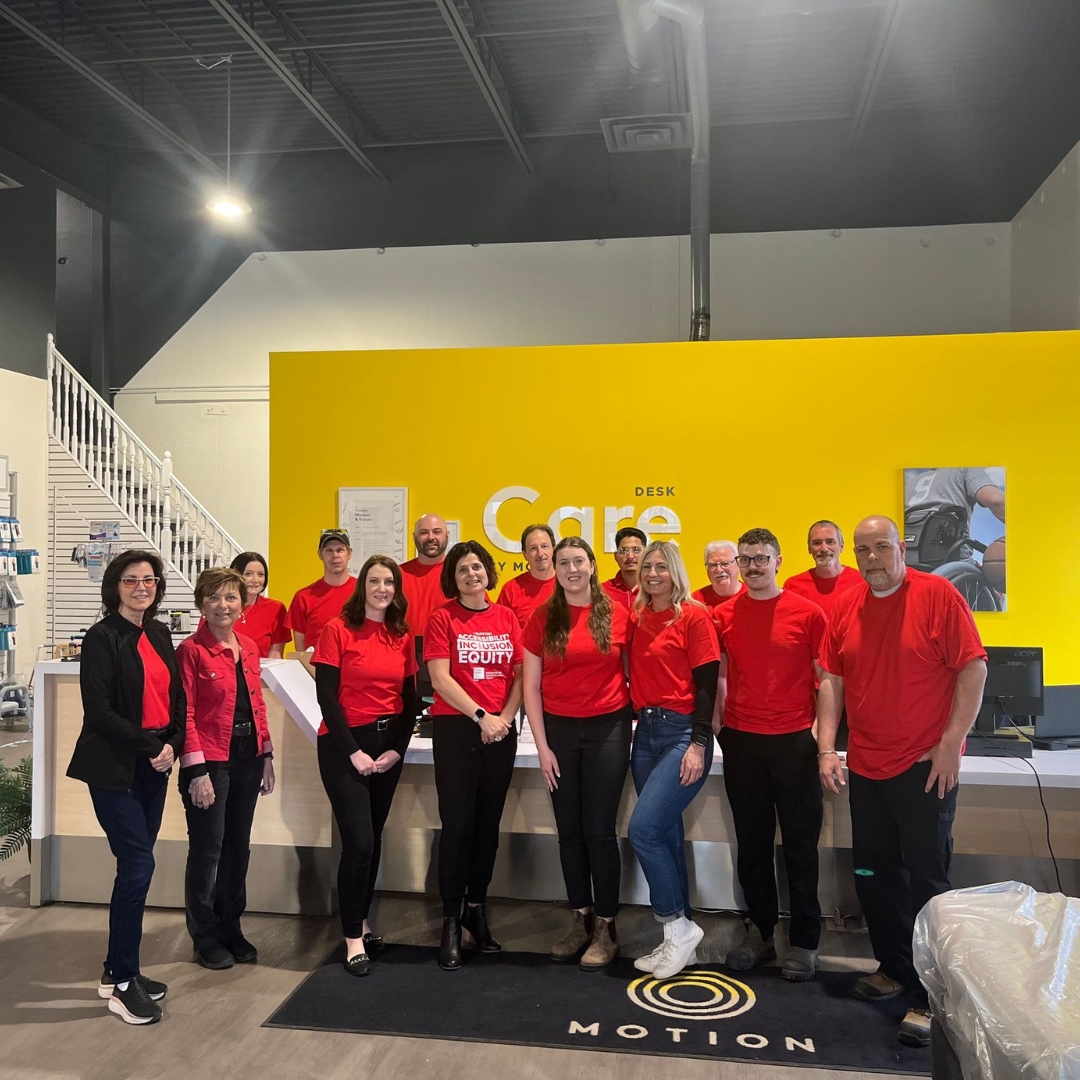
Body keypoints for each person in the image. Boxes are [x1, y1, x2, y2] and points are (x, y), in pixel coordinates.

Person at [817, 515, 987, 1049]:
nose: (872, 558)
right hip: (866, 768)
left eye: (881, 547)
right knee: (873, 874)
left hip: (924, 769)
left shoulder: (938, 596)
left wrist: (950, 744)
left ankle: (930, 995)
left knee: (926, 883)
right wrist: (826, 746)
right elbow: (832, 680)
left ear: (901, 547)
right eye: (863, 550)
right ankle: (892, 968)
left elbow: (973, 669)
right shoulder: (846, 605)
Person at [67, 549, 186, 1025]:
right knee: (138, 864)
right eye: (132, 580)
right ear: (115, 585)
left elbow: (175, 696)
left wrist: (173, 742)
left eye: (150, 580)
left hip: (154, 764)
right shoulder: (101, 637)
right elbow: (99, 712)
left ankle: (116, 969)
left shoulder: (158, 632)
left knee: (134, 867)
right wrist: (149, 746)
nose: (142, 587)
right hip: (115, 767)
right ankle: (122, 985)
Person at [713, 528, 827, 981]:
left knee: (801, 847)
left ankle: (805, 941)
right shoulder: (723, 615)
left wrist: (822, 738)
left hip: (796, 742)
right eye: (746, 559)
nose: (754, 566)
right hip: (742, 742)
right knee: (753, 845)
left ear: (778, 561)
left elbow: (829, 678)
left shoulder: (809, 613)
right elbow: (718, 676)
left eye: (762, 558)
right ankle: (759, 932)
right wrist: (720, 726)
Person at [522, 536, 632, 969]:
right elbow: (531, 686)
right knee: (569, 831)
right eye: (563, 562)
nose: (571, 569)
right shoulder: (543, 617)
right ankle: (580, 919)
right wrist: (542, 746)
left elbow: (634, 672)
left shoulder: (619, 613)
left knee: (600, 831)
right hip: (560, 733)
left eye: (578, 561)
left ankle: (607, 926)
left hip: (609, 728)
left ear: (591, 566)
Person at [313, 555, 418, 976]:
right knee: (357, 842)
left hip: (386, 745)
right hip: (343, 746)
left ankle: (363, 920)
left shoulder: (402, 635)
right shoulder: (337, 629)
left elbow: (410, 701)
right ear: (363, 585)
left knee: (371, 839)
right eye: (374, 581)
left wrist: (397, 749)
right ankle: (352, 937)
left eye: (389, 582)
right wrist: (353, 750)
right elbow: (327, 698)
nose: (382, 589)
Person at [425, 540, 523, 971]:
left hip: (500, 729)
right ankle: (450, 919)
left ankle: (477, 911)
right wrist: (483, 715)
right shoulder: (442, 617)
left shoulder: (507, 617)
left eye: (478, 567)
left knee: (487, 828)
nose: (472, 574)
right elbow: (440, 679)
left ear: (488, 572)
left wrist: (504, 717)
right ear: (454, 576)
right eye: (463, 569)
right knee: (458, 826)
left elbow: (520, 674)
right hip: (457, 729)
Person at [628, 540, 719, 980]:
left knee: (642, 829)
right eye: (647, 566)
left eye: (661, 567)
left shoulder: (694, 615)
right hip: (645, 733)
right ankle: (679, 944)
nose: (652, 574)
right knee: (663, 833)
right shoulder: (637, 614)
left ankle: (677, 927)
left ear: (675, 571)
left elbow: (707, 685)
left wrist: (700, 743)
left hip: (683, 732)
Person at [176, 568, 275, 970]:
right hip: (209, 760)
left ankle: (231, 927)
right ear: (202, 604)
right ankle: (205, 935)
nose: (223, 605)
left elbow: (257, 705)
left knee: (238, 847)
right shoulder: (190, 650)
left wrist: (266, 754)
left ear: (243, 604)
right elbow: (184, 714)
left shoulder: (248, 647)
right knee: (208, 849)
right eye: (214, 598)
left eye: (231, 597)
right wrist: (197, 771)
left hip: (247, 757)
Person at [400, 513, 450, 707]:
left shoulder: (461, 575)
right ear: (414, 537)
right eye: (424, 532)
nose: (431, 537)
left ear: (446, 535)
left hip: (452, 679)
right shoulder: (397, 576)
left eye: (437, 532)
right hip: (404, 678)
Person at [287, 529, 356, 653]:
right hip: (317, 669)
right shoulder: (303, 597)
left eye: (340, 550)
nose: (335, 555)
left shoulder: (364, 592)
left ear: (349, 553)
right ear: (320, 554)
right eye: (329, 550)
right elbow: (300, 649)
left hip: (355, 666)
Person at [782, 520, 863, 619]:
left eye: (830, 542)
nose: (824, 548)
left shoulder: (861, 581)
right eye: (817, 543)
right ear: (809, 548)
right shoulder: (792, 586)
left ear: (841, 546)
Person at [229, 551, 291, 658]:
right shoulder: (218, 608)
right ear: (235, 576)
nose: (255, 580)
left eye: (260, 574)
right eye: (248, 574)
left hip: (259, 673)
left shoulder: (276, 609)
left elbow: (275, 656)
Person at [496, 523, 557, 629]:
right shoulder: (510, 590)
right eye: (533, 548)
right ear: (525, 554)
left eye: (544, 546)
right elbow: (500, 631)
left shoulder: (570, 585)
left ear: (554, 549)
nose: (540, 553)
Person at [602, 526, 646, 612]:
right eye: (623, 550)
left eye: (636, 550)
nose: (630, 556)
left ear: (646, 554)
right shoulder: (602, 591)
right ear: (615, 556)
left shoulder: (654, 590)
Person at [691, 540, 744, 609]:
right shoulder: (694, 602)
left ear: (738, 564)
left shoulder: (754, 596)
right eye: (713, 565)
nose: (719, 570)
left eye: (725, 564)